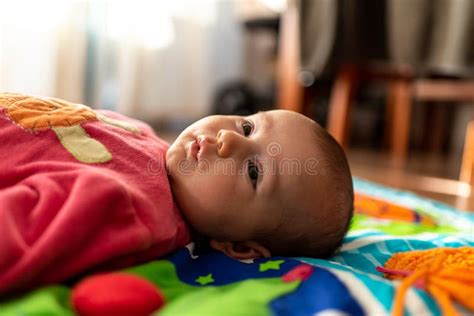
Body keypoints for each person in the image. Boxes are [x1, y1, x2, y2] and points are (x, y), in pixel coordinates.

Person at [0, 93, 353, 296]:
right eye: (248, 126)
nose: (229, 139)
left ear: (241, 248)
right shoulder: (145, 134)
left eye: (253, 172)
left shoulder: (130, 208)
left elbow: (21, 233)